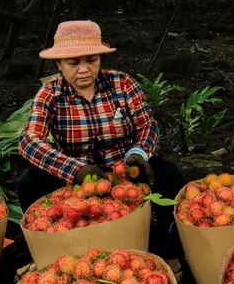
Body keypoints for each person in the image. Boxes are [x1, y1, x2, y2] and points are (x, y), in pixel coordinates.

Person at [16, 20, 185, 257]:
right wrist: (75, 170)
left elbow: (147, 124)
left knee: (170, 176)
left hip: (125, 171)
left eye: (92, 60)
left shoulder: (122, 84)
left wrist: (138, 153)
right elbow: (29, 141)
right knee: (28, 183)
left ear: (100, 60)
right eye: (73, 63)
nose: (83, 69)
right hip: (77, 179)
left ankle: (170, 251)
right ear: (59, 64)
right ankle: (51, 251)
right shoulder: (50, 95)